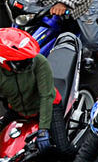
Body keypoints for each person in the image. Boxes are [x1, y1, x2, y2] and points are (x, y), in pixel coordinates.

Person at [0, 28, 75, 160]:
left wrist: (43, 130)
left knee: (64, 151)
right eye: (21, 62)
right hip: (18, 110)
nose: (29, 64)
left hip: (48, 107)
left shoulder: (39, 61)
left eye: (29, 59)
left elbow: (46, 97)